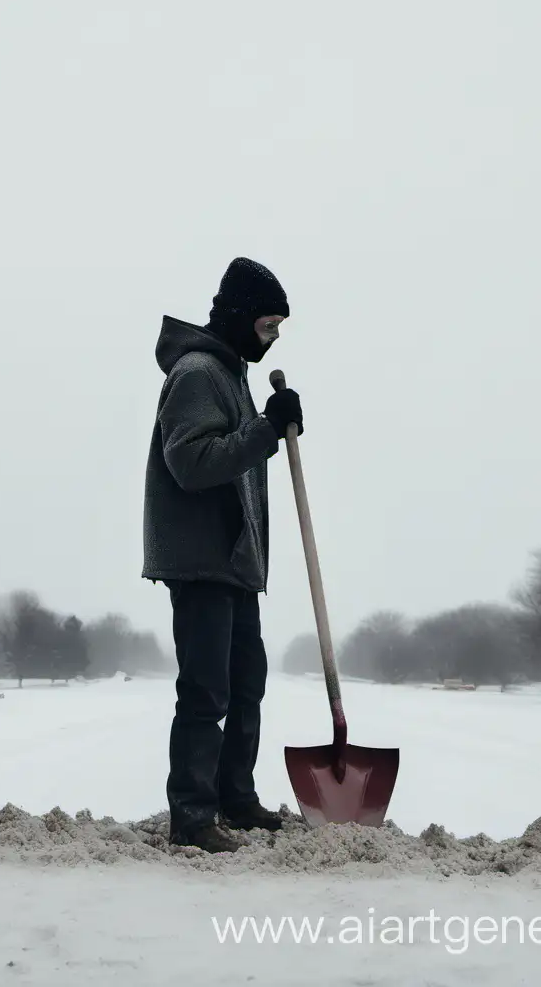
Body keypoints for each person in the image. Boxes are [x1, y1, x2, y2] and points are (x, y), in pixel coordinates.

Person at [142, 257, 303, 853]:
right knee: (207, 690)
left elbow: (235, 457)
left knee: (245, 686)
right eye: (268, 325)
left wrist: (266, 427)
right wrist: (265, 431)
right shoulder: (197, 373)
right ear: (239, 318)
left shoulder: (232, 375)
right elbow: (190, 464)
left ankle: (234, 797)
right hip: (202, 560)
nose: (274, 338)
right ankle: (192, 815)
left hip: (234, 564)